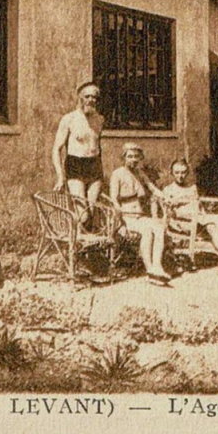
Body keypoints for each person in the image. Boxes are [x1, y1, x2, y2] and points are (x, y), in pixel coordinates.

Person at [163, 159, 218, 279]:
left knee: (215, 222)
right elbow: (169, 213)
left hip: (199, 220)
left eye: (183, 172)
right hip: (184, 223)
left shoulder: (192, 187)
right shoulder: (168, 190)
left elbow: (199, 207)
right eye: (177, 172)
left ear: (187, 172)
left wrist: (203, 215)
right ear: (171, 173)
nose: (180, 176)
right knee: (216, 220)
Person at [109, 143, 172, 286]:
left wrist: (165, 197)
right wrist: (120, 221)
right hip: (126, 217)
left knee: (159, 227)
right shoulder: (117, 174)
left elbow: (153, 188)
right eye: (130, 156)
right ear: (124, 157)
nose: (133, 159)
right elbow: (113, 199)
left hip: (140, 216)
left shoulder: (139, 173)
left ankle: (157, 266)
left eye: (136, 156)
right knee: (147, 231)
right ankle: (150, 270)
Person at [52, 82, 105, 229]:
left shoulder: (99, 120)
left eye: (94, 97)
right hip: (76, 166)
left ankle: (85, 241)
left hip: (94, 166)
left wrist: (100, 170)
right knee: (83, 215)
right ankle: (72, 236)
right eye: (87, 96)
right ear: (80, 98)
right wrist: (60, 176)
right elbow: (56, 149)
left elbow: (98, 146)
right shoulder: (69, 119)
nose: (91, 100)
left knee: (92, 211)